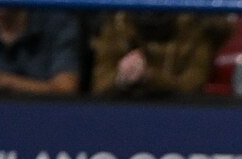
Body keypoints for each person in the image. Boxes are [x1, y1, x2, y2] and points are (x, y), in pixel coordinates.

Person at [89, 12, 228, 98]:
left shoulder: (194, 26)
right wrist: (121, 78)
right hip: (121, 115)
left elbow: (194, 84)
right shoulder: (117, 24)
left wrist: (151, 77)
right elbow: (99, 85)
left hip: (178, 117)